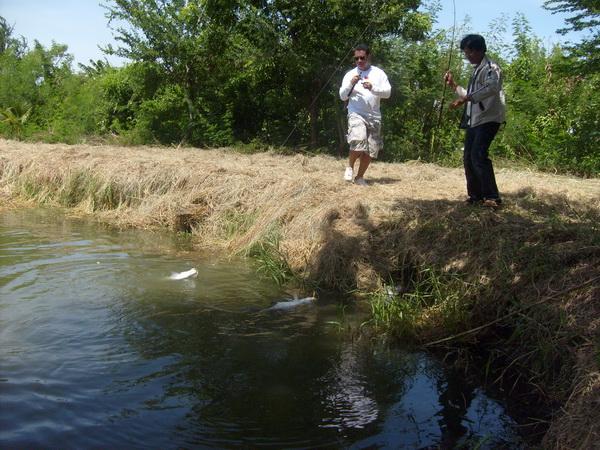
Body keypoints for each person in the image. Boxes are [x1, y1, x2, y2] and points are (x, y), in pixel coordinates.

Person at [443, 34, 505, 208]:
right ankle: (475, 197)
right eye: (465, 53)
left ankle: (492, 197)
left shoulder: (492, 67)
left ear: (480, 50)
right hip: (474, 120)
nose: (467, 56)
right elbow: (471, 96)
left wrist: (465, 99)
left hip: (489, 118)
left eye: (469, 52)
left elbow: (491, 88)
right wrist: (454, 86)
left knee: (478, 155)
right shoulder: (476, 70)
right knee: (469, 158)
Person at [339, 44, 391, 186]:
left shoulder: (379, 74)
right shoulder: (350, 75)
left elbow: (388, 93)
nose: (359, 61)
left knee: (371, 149)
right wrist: (350, 84)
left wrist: (373, 88)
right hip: (356, 113)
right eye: (356, 58)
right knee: (359, 139)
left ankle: (359, 177)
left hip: (374, 116)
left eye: (362, 58)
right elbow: (342, 96)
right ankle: (349, 167)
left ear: (369, 57)